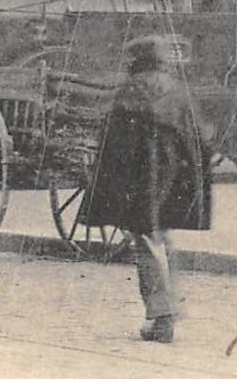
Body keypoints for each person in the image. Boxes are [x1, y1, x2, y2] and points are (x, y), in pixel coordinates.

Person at [80, 37, 213, 344]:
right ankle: (171, 306)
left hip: (143, 178)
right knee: (161, 237)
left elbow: (115, 144)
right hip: (174, 176)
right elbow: (198, 135)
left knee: (146, 240)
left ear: (135, 61)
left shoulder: (132, 89)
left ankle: (162, 316)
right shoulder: (176, 88)